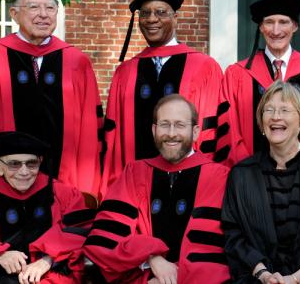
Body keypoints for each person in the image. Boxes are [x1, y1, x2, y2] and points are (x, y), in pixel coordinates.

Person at [0, 0, 103, 196]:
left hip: (63, 186)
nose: (43, 14)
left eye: (50, 7)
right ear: (14, 14)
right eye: (33, 7)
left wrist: (85, 190)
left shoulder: (76, 62)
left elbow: (90, 132)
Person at [84, 95, 230, 283]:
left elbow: (213, 250)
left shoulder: (218, 177)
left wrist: (176, 279)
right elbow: (105, 236)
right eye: (164, 124)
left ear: (195, 132)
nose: (171, 133)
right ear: (154, 130)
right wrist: (150, 258)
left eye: (179, 125)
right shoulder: (134, 173)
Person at [222, 81, 300, 283]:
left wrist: (296, 279)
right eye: (269, 110)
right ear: (261, 121)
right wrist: (263, 274)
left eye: (285, 110)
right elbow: (234, 236)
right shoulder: (241, 175)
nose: (275, 116)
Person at [102, 0, 223, 196]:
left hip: (190, 181)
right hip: (135, 184)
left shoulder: (204, 67)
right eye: (145, 13)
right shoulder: (125, 72)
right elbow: (114, 139)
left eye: (160, 12)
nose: (151, 19)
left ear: (175, 18)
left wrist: (205, 178)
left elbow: (209, 129)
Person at [214, 0, 300, 166]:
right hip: (250, 178)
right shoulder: (236, 75)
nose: (276, 30)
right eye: (269, 22)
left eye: (283, 22)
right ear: (261, 27)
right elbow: (229, 131)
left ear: (295, 26)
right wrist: (245, 171)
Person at [0, 131, 93, 284]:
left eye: (31, 163)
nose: (24, 172)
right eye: (14, 164)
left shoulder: (63, 194)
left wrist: (48, 259)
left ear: (40, 162)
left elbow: (81, 233)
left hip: (50, 276)